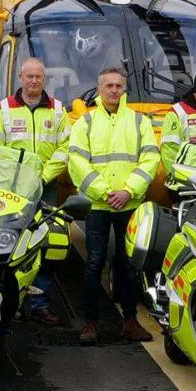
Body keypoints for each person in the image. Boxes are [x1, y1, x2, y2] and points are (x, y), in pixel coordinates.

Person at [66, 67, 158, 345]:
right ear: (100, 88)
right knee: (94, 264)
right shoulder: (86, 122)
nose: (114, 90)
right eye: (109, 85)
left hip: (129, 204)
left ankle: (130, 322)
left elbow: (150, 159)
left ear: (124, 89)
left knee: (129, 265)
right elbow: (77, 162)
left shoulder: (140, 121)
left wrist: (128, 191)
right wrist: (106, 192)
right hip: (98, 205)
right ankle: (91, 323)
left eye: (119, 86)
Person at [0, 58, 72, 326]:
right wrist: (15, 177)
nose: (34, 81)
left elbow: (66, 147)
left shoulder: (58, 110)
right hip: (12, 189)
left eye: (39, 77)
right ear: (20, 78)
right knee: (8, 240)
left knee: (45, 244)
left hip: (45, 188)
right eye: (29, 77)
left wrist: (43, 176)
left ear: (44, 80)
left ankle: (39, 302)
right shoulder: (4, 108)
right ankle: (8, 297)